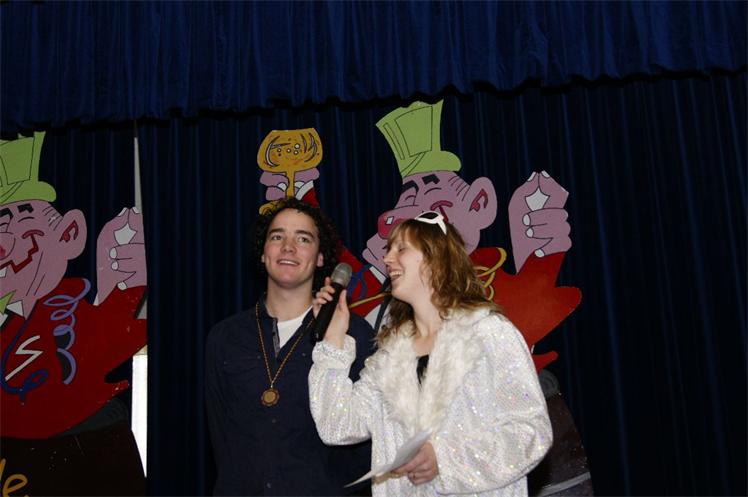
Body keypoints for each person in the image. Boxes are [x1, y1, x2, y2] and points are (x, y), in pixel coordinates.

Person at [309, 210, 552, 497]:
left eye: (401, 249)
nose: (387, 259)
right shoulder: (389, 358)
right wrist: (333, 340)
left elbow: (531, 431)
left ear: (436, 257)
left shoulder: (488, 333)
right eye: (388, 250)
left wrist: (446, 459)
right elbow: (337, 425)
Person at [205, 197, 374, 496]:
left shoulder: (353, 334)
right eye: (277, 237)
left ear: (320, 258)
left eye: (303, 239)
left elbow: (368, 441)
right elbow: (221, 438)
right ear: (263, 253)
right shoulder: (225, 337)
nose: (288, 247)